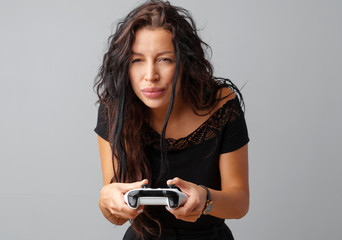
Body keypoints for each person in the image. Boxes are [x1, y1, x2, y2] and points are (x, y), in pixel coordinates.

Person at [94, 0, 249, 239]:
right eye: (137, 60)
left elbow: (239, 203)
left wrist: (205, 199)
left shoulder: (222, 105)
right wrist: (106, 200)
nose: (150, 76)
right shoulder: (115, 109)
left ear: (185, 63)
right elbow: (118, 216)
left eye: (164, 59)